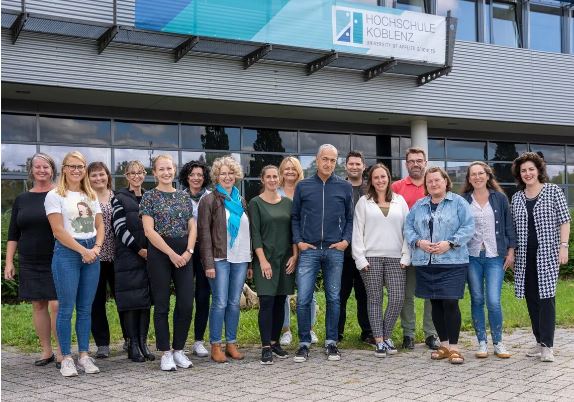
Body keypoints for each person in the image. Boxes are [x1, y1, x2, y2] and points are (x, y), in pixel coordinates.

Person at [404, 167, 474, 365]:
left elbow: (468, 227)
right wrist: (419, 242)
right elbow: (407, 227)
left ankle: (455, 348)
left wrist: (450, 243)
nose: (433, 184)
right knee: (435, 302)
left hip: (453, 261)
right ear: (426, 185)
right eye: (430, 181)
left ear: (445, 181)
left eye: (437, 180)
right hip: (426, 261)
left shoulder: (458, 202)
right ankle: (443, 345)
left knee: (450, 302)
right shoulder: (419, 205)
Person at [291, 144, 353, 363]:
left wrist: (346, 240)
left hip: (335, 250)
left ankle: (331, 342)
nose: (328, 164)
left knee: (334, 298)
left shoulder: (345, 187)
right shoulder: (304, 186)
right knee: (304, 299)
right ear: (316, 160)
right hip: (309, 250)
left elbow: (349, 218)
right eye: (324, 159)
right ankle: (304, 343)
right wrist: (298, 241)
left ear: (337, 162)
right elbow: (295, 217)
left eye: (333, 160)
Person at [44, 151, 104, 377]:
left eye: (80, 166)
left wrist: (96, 248)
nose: (77, 170)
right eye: (72, 166)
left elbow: (100, 225)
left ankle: (84, 356)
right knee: (66, 308)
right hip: (68, 253)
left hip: (91, 252)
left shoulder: (91, 195)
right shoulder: (54, 195)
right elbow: (58, 231)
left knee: (85, 309)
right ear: (64, 168)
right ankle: (67, 358)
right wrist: (83, 251)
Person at [510, 152, 570, 363]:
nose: (527, 173)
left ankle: (548, 346)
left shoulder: (553, 191)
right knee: (532, 299)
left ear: (539, 170)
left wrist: (564, 247)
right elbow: (514, 229)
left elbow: (564, 220)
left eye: (531, 169)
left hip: (547, 255)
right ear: (520, 173)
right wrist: (512, 253)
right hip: (525, 258)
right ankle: (539, 340)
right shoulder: (517, 197)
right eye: (523, 170)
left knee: (546, 299)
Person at [4, 153, 63, 368]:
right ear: (31, 171)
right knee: (38, 304)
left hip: (57, 256)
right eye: (37, 167)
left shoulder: (59, 194)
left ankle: (61, 351)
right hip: (29, 259)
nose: (41, 170)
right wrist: (9, 262)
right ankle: (46, 351)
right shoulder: (22, 199)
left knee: (57, 304)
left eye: (46, 167)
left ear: (52, 170)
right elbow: (13, 233)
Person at [141, 155, 196, 371]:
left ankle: (179, 350)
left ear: (174, 170)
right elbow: (148, 231)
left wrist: (189, 251)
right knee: (162, 304)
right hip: (160, 254)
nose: (166, 172)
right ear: (154, 173)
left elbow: (193, 227)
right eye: (161, 169)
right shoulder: (149, 197)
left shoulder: (184, 197)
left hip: (185, 253)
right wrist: (171, 254)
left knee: (185, 303)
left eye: (169, 168)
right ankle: (165, 352)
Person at [198, 156, 252, 363]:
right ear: (216, 177)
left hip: (240, 258)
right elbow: (204, 235)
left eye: (231, 173)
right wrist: (208, 264)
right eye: (223, 173)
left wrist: (249, 263)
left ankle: (231, 343)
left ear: (236, 175)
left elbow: (248, 232)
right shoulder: (209, 200)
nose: (227, 177)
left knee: (234, 303)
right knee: (219, 303)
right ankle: (215, 345)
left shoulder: (241, 200)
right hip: (219, 259)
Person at [352, 163, 410, 357]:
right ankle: (379, 341)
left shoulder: (400, 201)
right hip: (371, 259)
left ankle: (386, 335)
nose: (380, 181)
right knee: (375, 299)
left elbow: (408, 231)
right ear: (371, 181)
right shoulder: (363, 202)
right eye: (376, 177)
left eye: (383, 177)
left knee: (397, 298)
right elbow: (357, 232)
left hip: (396, 258)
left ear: (388, 178)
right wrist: (360, 258)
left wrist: (406, 255)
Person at [462, 162, 516, 359]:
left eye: (480, 173)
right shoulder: (464, 200)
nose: (477, 177)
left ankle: (498, 342)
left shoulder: (499, 198)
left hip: (495, 256)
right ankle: (482, 342)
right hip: (472, 257)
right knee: (477, 299)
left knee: (493, 300)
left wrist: (511, 252)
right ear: (469, 179)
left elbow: (510, 226)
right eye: (473, 175)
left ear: (487, 175)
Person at [392, 147, 440, 350]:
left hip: (431, 251)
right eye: (411, 161)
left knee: (431, 293)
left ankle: (431, 334)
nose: (415, 164)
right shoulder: (396, 187)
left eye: (419, 160)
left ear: (425, 162)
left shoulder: (434, 185)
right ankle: (408, 334)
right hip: (406, 250)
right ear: (406, 164)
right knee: (406, 294)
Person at [249, 165, 298, 364]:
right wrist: (262, 261)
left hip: (285, 260)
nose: (272, 180)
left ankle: (275, 342)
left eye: (274, 176)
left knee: (280, 302)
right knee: (267, 302)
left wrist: (295, 256)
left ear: (279, 179)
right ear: (262, 179)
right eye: (268, 176)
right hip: (265, 260)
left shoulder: (287, 203)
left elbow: (294, 231)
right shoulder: (255, 203)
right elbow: (255, 234)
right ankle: (265, 347)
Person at [111, 160, 155, 363]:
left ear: (144, 174)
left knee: (145, 302)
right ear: (126, 176)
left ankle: (144, 343)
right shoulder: (118, 198)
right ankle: (133, 345)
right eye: (132, 173)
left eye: (140, 172)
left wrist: (151, 251)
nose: (136, 176)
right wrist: (139, 250)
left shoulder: (150, 196)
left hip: (150, 256)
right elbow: (119, 229)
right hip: (128, 257)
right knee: (131, 302)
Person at [276, 156, 319, 346]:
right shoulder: (275, 192)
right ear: (281, 171)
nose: (290, 172)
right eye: (286, 169)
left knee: (307, 290)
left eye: (293, 168)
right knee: (284, 291)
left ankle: (309, 328)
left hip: (305, 246)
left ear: (299, 171)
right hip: (282, 247)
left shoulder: (307, 191)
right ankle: (285, 330)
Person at [87, 162, 127, 359]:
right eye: (93, 176)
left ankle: (130, 339)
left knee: (124, 299)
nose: (98, 179)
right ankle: (102, 343)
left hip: (118, 257)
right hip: (95, 257)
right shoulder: (85, 199)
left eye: (101, 174)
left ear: (107, 176)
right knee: (96, 302)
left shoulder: (118, 197)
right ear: (88, 178)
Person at [178, 160, 212, 358]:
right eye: (193, 174)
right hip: (184, 250)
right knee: (184, 297)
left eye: (200, 174)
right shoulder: (179, 197)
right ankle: (180, 342)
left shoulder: (210, 197)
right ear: (187, 177)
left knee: (202, 295)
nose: (196, 178)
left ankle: (199, 340)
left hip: (205, 250)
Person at [339, 151, 373, 345]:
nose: (354, 167)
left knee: (365, 294)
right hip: (342, 251)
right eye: (351, 164)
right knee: (340, 294)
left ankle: (368, 332)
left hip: (366, 252)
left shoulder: (371, 188)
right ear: (346, 166)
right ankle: (336, 332)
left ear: (363, 166)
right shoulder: (339, 187)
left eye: (357, 164)